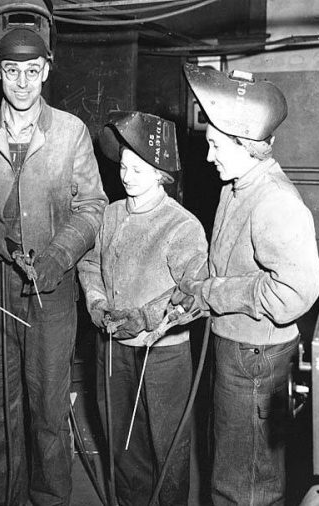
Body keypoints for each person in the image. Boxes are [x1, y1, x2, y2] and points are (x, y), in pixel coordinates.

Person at [0, 23, 107, 506]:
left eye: (32, 71)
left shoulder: (70, 132)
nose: (22, 82)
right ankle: (0, 495)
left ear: (46, 70)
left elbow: (92, 206)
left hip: (51, 292)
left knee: (48, 405)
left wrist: (61, 254)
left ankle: (50, 496)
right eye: (12, 71)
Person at [177, 63, 319, 506]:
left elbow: (297, 291)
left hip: (254, 357)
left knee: (247, 484)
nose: (208, 156)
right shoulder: (237, 184)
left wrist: (219, 293)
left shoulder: (274, 200)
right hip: (237, 348)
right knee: (230, 467)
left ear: (246, 145)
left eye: (217, 146)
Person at [78, 111, 209, 506]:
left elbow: (195, 294)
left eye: (139, 169)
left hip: (163, 354)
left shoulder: (181, 226)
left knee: (166, 446)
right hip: (114, 349)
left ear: (161, 174)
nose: (127, 175)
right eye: (124, 166)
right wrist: (97, 303)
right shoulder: (111, 214)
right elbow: (89, 263)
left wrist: (147, 317)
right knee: (122, 440)